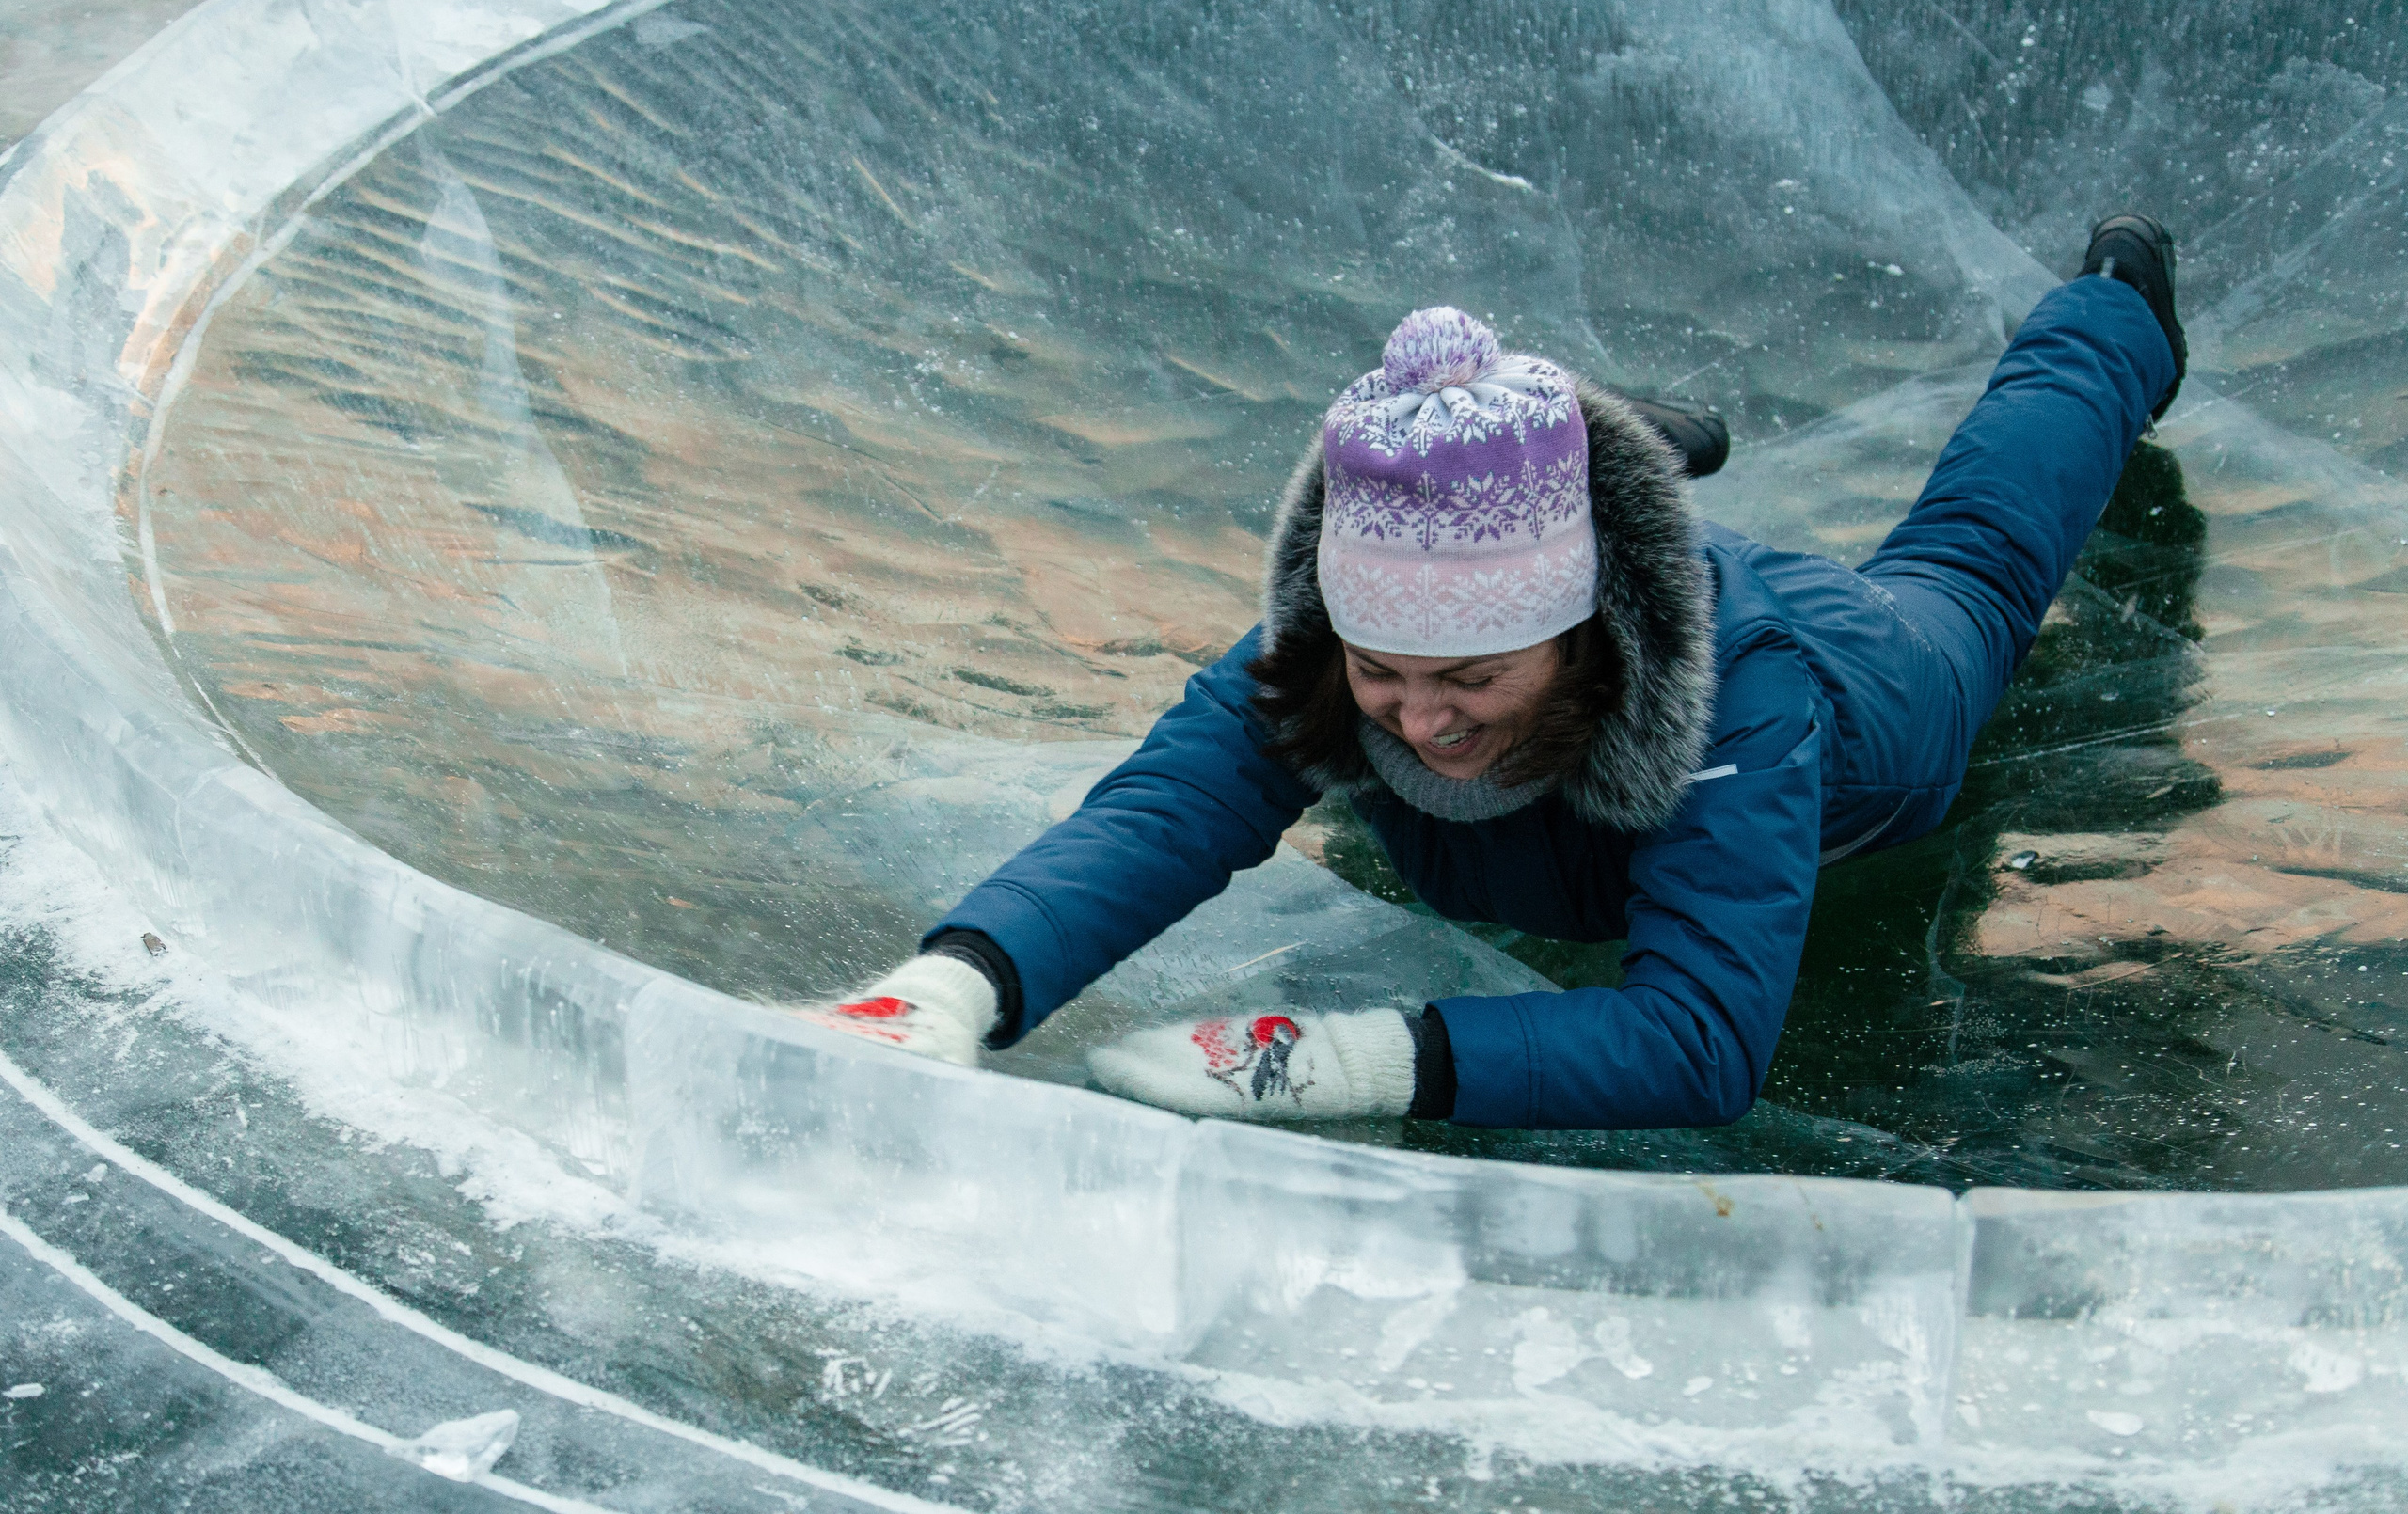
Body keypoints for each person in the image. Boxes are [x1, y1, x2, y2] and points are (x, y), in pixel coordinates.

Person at [797, 217, 2187, 1130]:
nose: (1420, 717)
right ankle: (1600, 443)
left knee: (1980, 554)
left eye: (1468, 672)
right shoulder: (1330, 654)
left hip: (1874, 684)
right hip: (1552, 602)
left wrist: (1352, 1060)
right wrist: (956, 983)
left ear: (1576, 631)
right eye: (1384, 671)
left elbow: (1701, 1040)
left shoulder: (1743, 697)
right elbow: (1156, 818)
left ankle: (2116, 313)